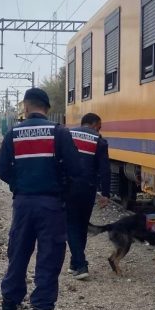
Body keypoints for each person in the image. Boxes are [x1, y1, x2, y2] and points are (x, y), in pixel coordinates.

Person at [0, 86, 82, 310]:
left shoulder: (13, 134)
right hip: (51, 206)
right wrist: (63, 187)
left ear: (25, 106)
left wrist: (19, 184)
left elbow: (1, 169)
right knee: (48, 260)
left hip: (22, 205)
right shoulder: (59, 132)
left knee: (18, 256)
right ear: (47, 108)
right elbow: (76, 169)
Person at [65, 112, 111, 277]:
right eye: (99, 127)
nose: (99, 131)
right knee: (82, 225)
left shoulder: (67, 134)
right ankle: (75, 262)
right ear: (93, 124)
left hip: (68, 186)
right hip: (87, 189)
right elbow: (105, 170)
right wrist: (105, 194)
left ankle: (80, 265)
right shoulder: (99, 141)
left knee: (71, 224)